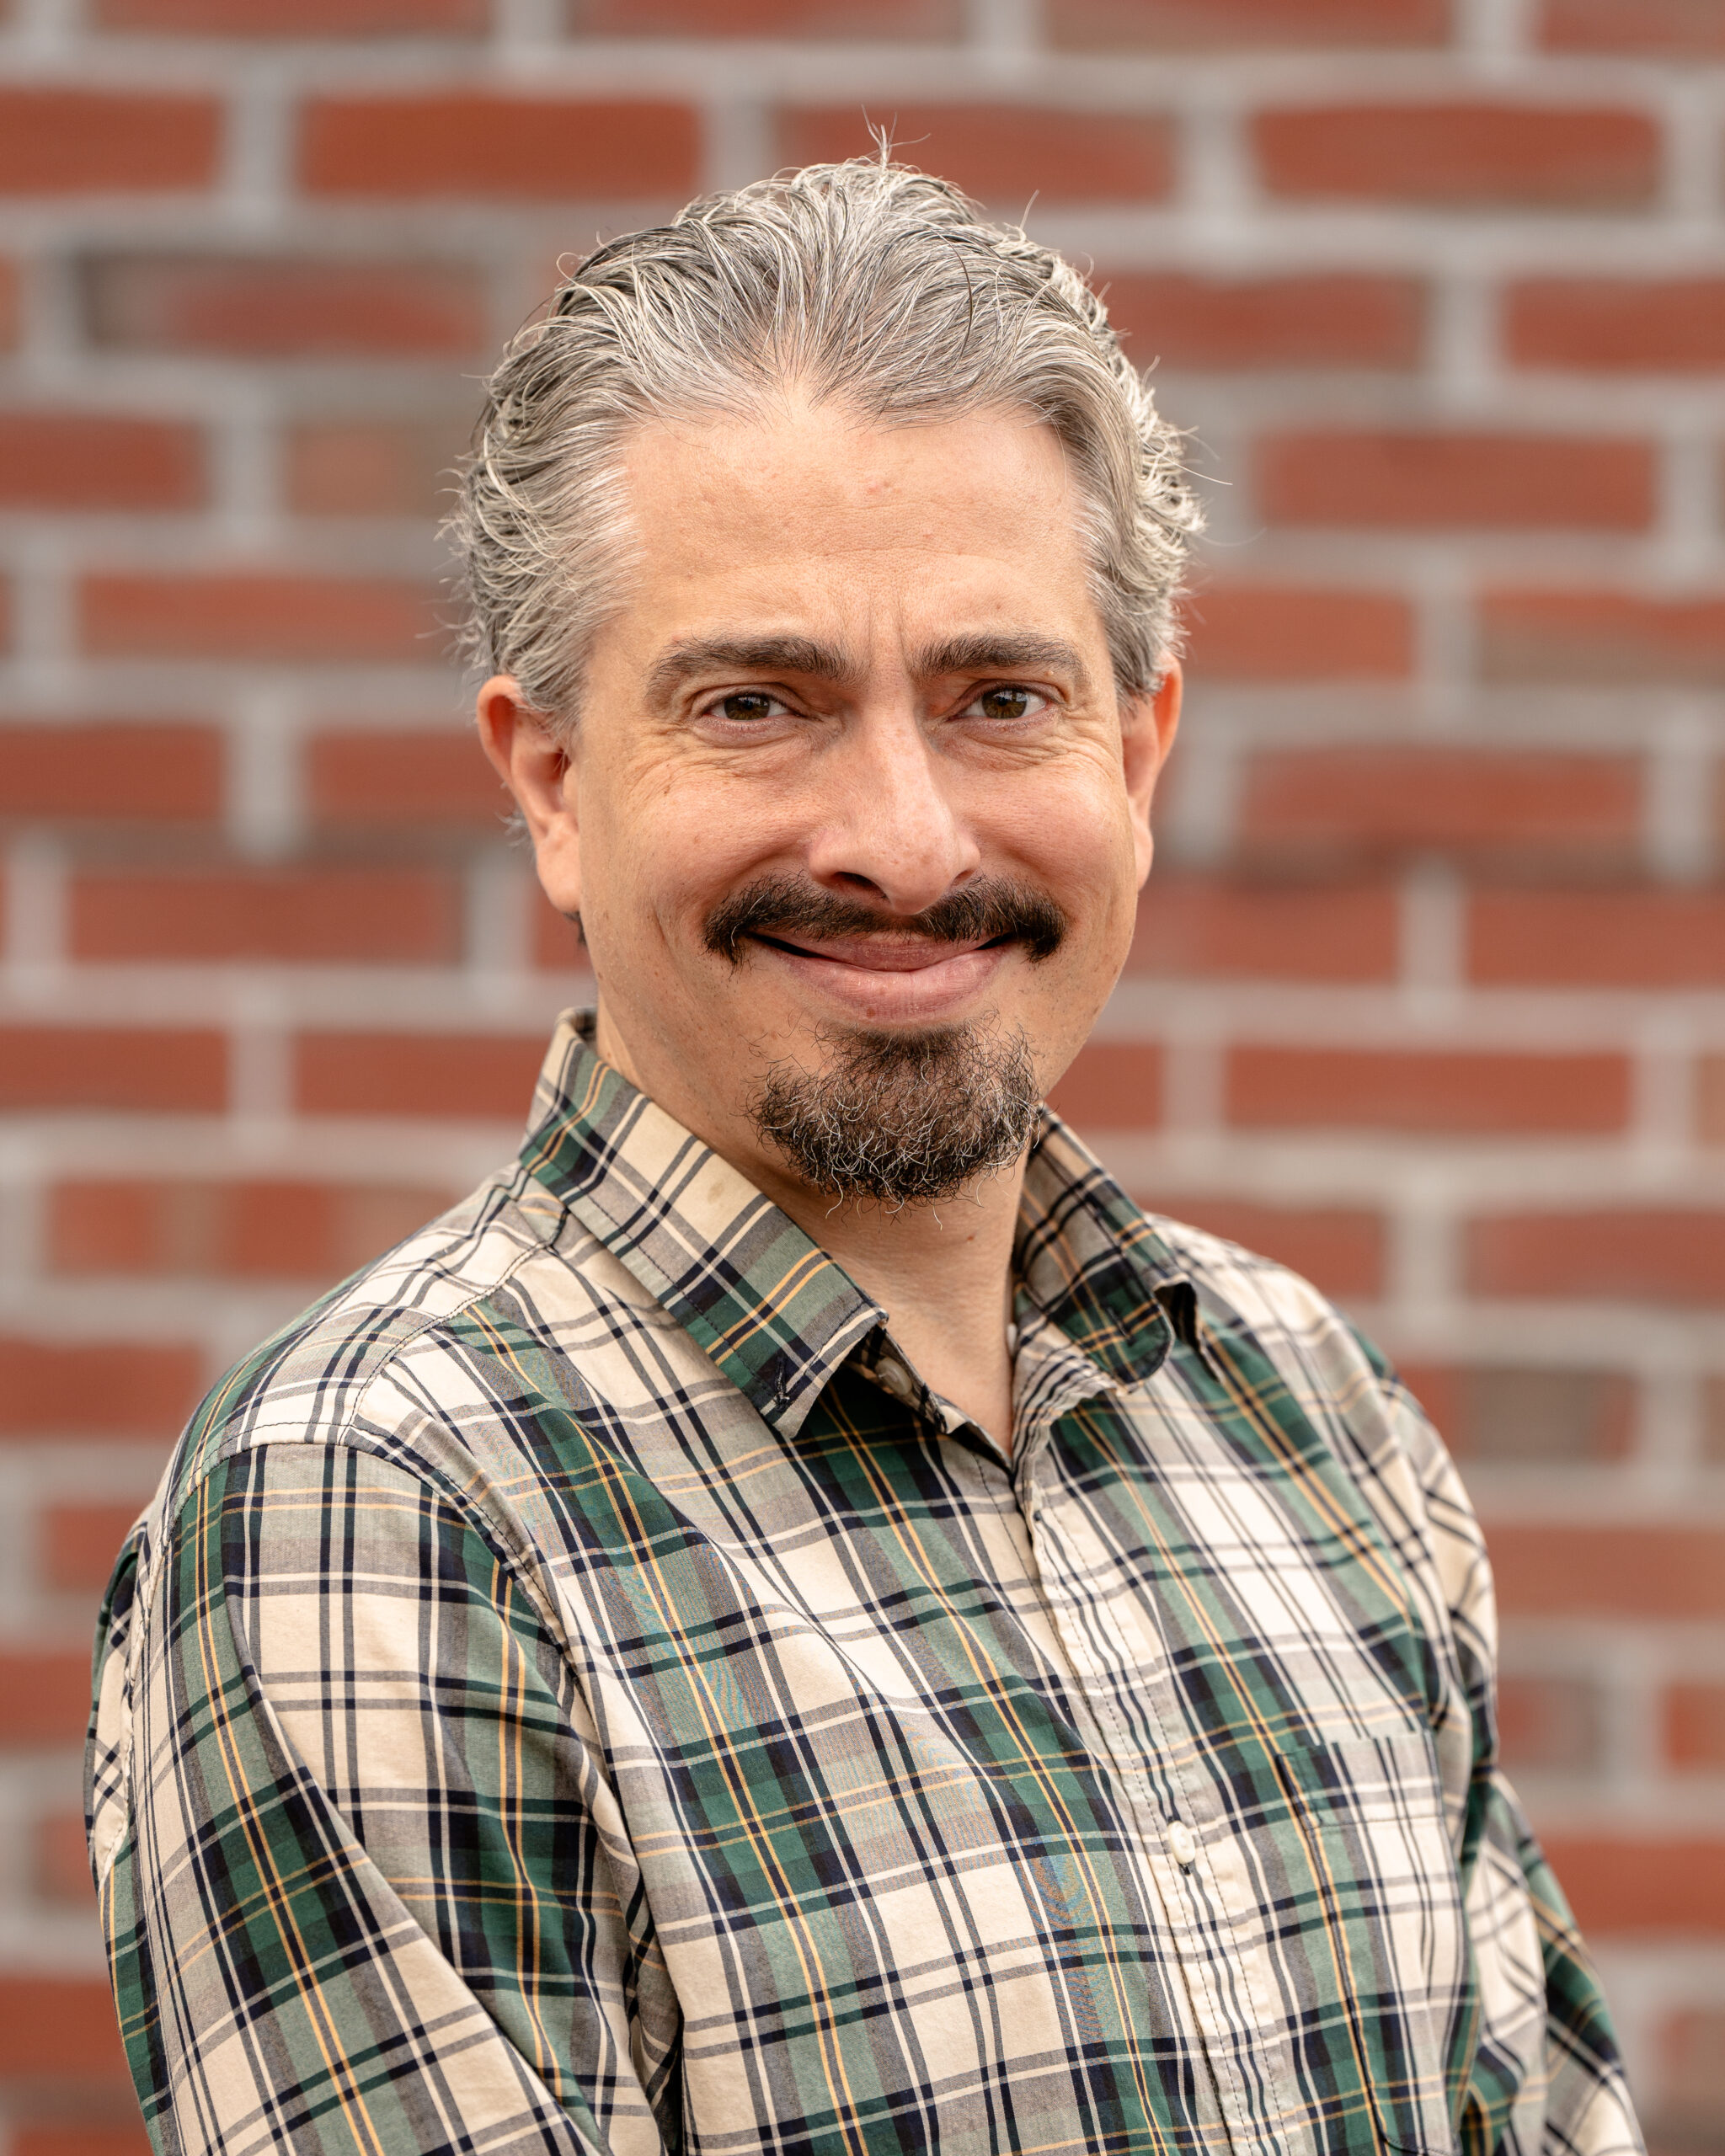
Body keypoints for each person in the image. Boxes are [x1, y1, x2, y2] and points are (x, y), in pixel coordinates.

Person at [87, 159, 1641, 2156]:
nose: (905, 842)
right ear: (553, 783)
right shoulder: (377, 1514)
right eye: (760, 703)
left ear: (1139, 757)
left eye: (1003, 698)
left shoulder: (1307, 1407)